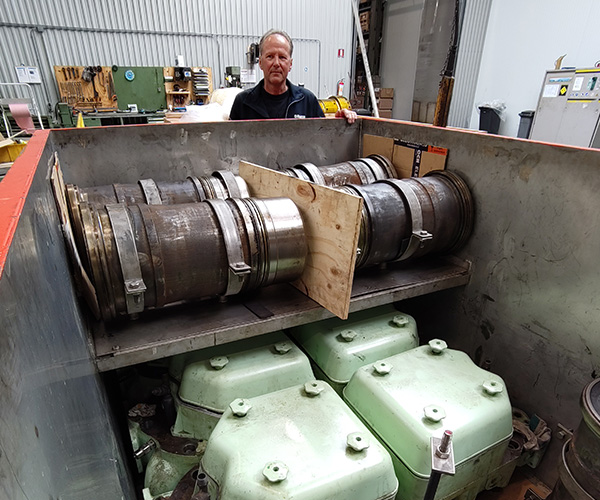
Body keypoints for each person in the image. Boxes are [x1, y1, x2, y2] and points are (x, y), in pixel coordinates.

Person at [229, 29, 357, 123]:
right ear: (261, 62)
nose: (276, 63)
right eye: (270, 56)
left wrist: (339, 122)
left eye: (282, 57)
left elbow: (323, 140)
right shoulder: (243, 103)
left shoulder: (307, 101)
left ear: (290, 64)